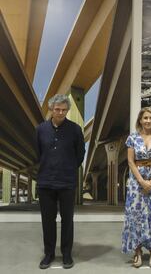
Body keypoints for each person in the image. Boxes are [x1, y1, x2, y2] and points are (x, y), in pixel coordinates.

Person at [35, 94, 85, 269]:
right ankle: (49, 254)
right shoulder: (41, 129)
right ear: (51, 109)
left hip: (67, 182)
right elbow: (37, 153)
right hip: (45, 182)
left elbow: (80, 154)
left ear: (67, 110)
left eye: (64, 110)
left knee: (67, 220)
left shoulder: (75, 130)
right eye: (57, 109)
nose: (61, 113)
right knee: (47, 220)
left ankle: (66, 254)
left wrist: (69, 167)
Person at [122, 107, 151, 268]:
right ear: (140, 120)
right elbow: (130, 161)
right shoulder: (132, 138)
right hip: (137, 182)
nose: (148, 121)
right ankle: (137, 251)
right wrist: (142, 181)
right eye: (145, 118)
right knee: (135, 215)